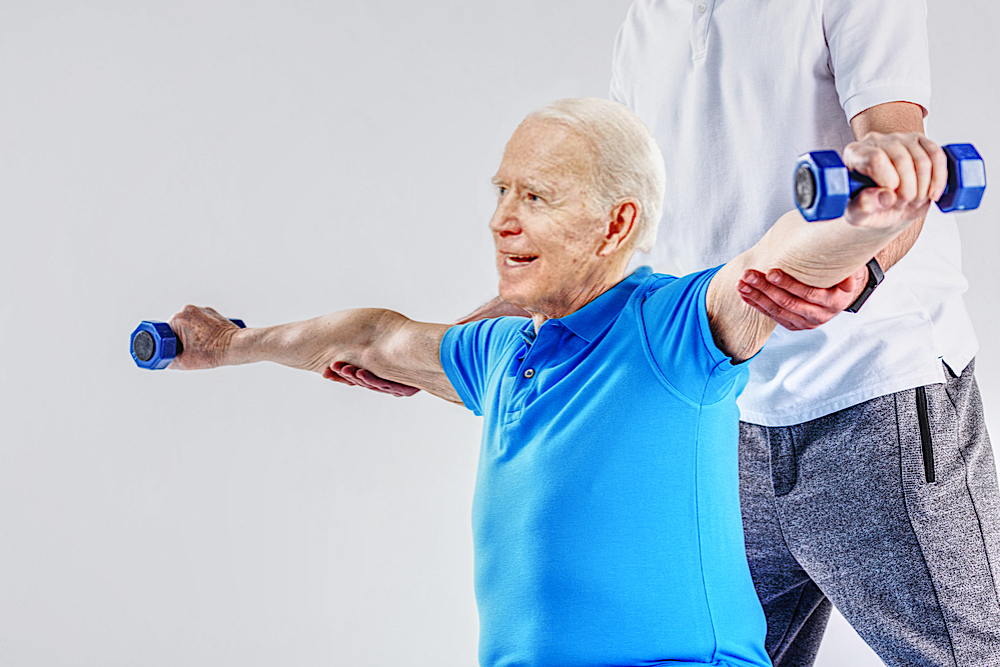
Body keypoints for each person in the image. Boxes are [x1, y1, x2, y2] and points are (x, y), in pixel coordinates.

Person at [167, 98, 950, 667]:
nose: (502, 219)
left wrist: (874, 207)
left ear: (616, 224)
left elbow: (777, 257)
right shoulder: (503, 354)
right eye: (502, 191)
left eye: (535, 196)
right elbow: (372, 334)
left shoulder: (669, 327)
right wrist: (231, 344)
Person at [605, 2, 1000, 666]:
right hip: (727, 419)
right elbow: (622, 228)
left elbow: (894, 143)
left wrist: (862, 263)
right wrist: (483, 327)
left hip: (876, 402)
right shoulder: (646, 20)